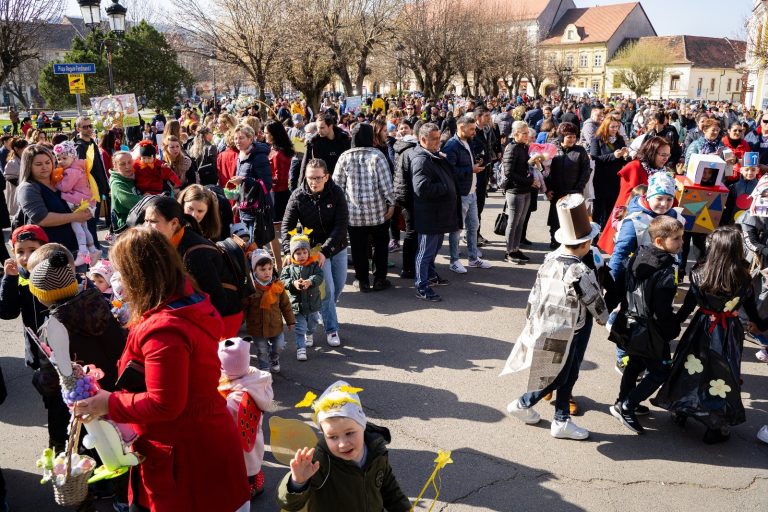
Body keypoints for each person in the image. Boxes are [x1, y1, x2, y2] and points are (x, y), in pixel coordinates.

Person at [73, 228, 250, 512]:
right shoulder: (188, 302)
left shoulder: (164, 330)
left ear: (137, 275)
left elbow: (164, 403)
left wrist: (109, 402)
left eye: (122, 273)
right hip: (203, 441)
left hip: (185, 458)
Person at [503, 195, 608, 440]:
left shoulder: (550, 260)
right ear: (585, 244)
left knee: (556, 370)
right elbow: (595, 302)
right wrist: (609, 322)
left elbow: (535, 293)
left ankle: (559, 417)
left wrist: (530, 318)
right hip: (574, 328)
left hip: (547, 323)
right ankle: (528, 404)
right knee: (564, 372)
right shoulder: (579, 270)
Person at [654, 226, 768, 443]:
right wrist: (763, 325)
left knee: (691, 366)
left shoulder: (698, 272)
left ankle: (682, 408)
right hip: (729, 332)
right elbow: (753, 313)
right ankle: (715, 425)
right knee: (722, 374)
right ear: (736, 249)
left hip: (701, 327)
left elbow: (687, 306)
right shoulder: (743, 277)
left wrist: (673, 325)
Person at [277, 381, 411, 512]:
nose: (343, 444)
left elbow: (388, 486)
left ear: (362, 425)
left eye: (349, 433)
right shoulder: (320, 461)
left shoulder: (376, 450)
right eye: (333, 437)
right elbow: (290, 504)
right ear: (324, 434)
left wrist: (403, 508)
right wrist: (298, 483)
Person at [610, 216, 683, 434]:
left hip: (629, 322)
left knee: (635, 363)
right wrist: (672, 328)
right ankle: (627, 405)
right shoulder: (666, 271)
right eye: (676, 239)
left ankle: (621, 400)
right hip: (650, 330)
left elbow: (622, 285)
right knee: (661, 370)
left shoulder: (637, 255)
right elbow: (662, 309)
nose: (681, 243)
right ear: (659, 241)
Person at [0, 226, 70, 451]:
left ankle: (64, 441)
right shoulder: (16, 279)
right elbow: (8, 312)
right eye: (20, 251)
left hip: (62, 349)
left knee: (65, 401)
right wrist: (8, 281)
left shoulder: (57, 274)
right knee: (52, 400)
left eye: (32, 249)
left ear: (45, 250)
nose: (25, 257)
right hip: (39, 354)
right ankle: (58, 444)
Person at [142, 196, 243, 337]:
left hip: (223, 318)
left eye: (152, 221)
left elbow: (217, 300)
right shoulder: (172, 239)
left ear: (174, 223)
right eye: (145, 220)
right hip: (199, 313)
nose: (146, 226)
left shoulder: (195, 254)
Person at [333, 123, 395, 292]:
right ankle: (380, 278)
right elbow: (386, 185)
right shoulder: (377, 156)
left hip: (353, 214)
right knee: (380, 245)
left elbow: (337, 186)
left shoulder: (344, 157)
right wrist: (391, 204)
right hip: (378, 212)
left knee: (358, 247)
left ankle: (362, 281)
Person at [217, 336, 274, 498]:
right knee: (253, 461)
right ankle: (256, 483)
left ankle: (247, 491)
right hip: (255, 432)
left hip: (239, 441)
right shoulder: (257, 381)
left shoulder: (235, 398)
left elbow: (224, 419)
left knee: (244, 466)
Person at [597, 137, 672, 254]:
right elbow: (626, 200)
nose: (666, 158)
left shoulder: (662, 171)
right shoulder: (635, 167)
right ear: (651, 152)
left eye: (668, 155)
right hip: (632, 221)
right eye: (662, 155)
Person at [410, 123, 460, 302]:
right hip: (429, 215)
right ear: (423, 139)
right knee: (425, 252)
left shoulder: (433, 155)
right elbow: (421, 188)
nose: (438, 142)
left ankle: (430, 276)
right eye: (434, 139)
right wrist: (445, 186)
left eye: (439, 138)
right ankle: (421, 285)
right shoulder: (421, 160)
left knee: (433, 249)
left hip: (439, 214)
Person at [16, 145, 92, 256]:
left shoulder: (59, 181)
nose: (44, 167)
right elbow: (42, 219)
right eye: (38, 164)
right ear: (28, 166)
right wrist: (75, 216)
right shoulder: (28, 188)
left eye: (48, 162)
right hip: (48, 253)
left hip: (75, 248)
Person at [443, 115, 492, 273]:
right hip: (460, 194)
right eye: (471, 129)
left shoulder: (468, 142)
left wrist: (475, 164)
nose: (474, 132)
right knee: (456, 229)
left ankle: (473, 258)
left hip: (471, 192)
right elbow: (449, 171)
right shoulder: (451, 146)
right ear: (461, 128)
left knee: (473, 227)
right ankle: (454, 260)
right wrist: (470, 169)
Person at [244, 249, 295, 372]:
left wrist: (290, 321)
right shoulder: (251, 288)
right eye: (262, 269)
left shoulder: (277, 286)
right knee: (262, 349)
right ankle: (264, 367)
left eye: (269, 268)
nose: (267, 272)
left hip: (275, 325)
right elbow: (244, 307)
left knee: (279, 346)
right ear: (254, 270)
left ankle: (274, 357)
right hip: (257, 326)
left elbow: (285, 305)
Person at [52, 141, 99, 266]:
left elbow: (65, 187)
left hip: (79, 200)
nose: (61, 161)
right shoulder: (78, 167)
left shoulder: (71, 171)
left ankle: (83, 252)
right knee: (84, 226)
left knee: (76, 224)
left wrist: (55, 183)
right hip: (85, 200)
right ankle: (93, 249)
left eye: (64, 158)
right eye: (58, 158)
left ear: (73, 156)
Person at [280, 230, 324, 361]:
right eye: (298, 253)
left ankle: (309, 334)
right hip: (296, 305)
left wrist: (310, 281)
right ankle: (301, 348)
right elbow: (282, 281)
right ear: (293, 254)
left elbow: (319, 276)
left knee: (313, 323)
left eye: (305, 252)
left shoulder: (314, 265)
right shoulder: (288, 268)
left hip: (312, 303)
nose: (302, 255)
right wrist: (293, 283)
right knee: (300, 328)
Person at [545, 122, 590, 249]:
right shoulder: (553, 150)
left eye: (574, 137)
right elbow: (546, 171)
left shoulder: (580, 151)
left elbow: (586, 171)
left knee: (572, 221)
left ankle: (571, 244)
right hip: (556, 191)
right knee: (555, 219)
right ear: (561, 137)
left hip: (573, 192)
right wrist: (547, 190)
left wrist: (578, 189)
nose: (572, 140)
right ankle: (554, 241)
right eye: (569, 137)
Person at [229, 124, 273, 244]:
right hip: (244, 208)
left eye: (241, 138)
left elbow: (267, 184)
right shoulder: (240, 155)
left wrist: (243, 180)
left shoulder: (259, 157)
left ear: (250, 139)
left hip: (257, 210)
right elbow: (241, 186)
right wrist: (237, 202)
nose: (238, 141)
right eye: (236, 138)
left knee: (254, 247)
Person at [502, 121, 536, 263]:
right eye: (524, 133)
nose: (527, 135)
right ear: (515, 134)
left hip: (525, 189)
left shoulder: (523, 147)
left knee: (520, 222)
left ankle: (515, 248)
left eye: (527, 132)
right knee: (513, 222)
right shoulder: (512, 148)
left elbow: (524, 167)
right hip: (515, 190)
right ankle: (509, 251)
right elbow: (509, 172)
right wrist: (529, 182)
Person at [590, 117, 629, 229]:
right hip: (600, 178)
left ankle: (606, 234)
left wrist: (625, 156)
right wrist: (613, 156)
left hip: (615, 178)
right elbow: (595, 158)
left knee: (611, 208)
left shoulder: (619, 139)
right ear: (606, 126)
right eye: (612, 127)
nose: (615, 129)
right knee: (598, 208)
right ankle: (595, 236)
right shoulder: (597, 139)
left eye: (617, 127)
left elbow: (622, 161)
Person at [393, 126, 419, 279]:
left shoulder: (400, 150)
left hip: (404, 197)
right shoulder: (411, 152)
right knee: (412, 233)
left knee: (411, 232)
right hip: (410, 198)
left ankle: (409, 266)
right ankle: (409, 267)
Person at [299, 111, 351, 183]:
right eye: (317, 128)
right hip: (322, 183)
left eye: (322, 128)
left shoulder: (344, 140)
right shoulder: (314, 143)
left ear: (330, 126)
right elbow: (305, 166)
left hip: (342, 182)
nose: (319, 131)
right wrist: (301, 186)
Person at [109, 151, 141, 232]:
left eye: (130, 162)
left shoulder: (132, 176)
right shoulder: (117, 183)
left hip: (138, 221)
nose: (127, 166)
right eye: (122, 164)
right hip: (127, 226)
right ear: (115, 166)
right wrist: (150, 199)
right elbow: (129, 201)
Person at [3, 138, 27, 218]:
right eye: (25, 148)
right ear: (17, 149)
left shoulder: (24, 159)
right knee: (18, 216)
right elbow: (11, 178)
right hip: (16, 193)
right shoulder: (12, 162)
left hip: (23, 191)